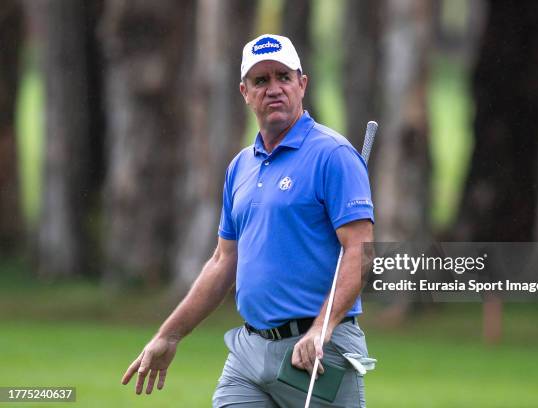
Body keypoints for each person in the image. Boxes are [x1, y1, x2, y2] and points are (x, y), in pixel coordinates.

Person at [121, 34, 375, 407]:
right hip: (250, 351)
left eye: (283, 77)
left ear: (301, 84)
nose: (274, 89)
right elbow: (223, 262)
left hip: (318, 350)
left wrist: (322, 329)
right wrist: (169, 335)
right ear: (244, 91)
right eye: (261, 80)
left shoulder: (333, 155)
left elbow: (359, 250)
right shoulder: (241, 167)